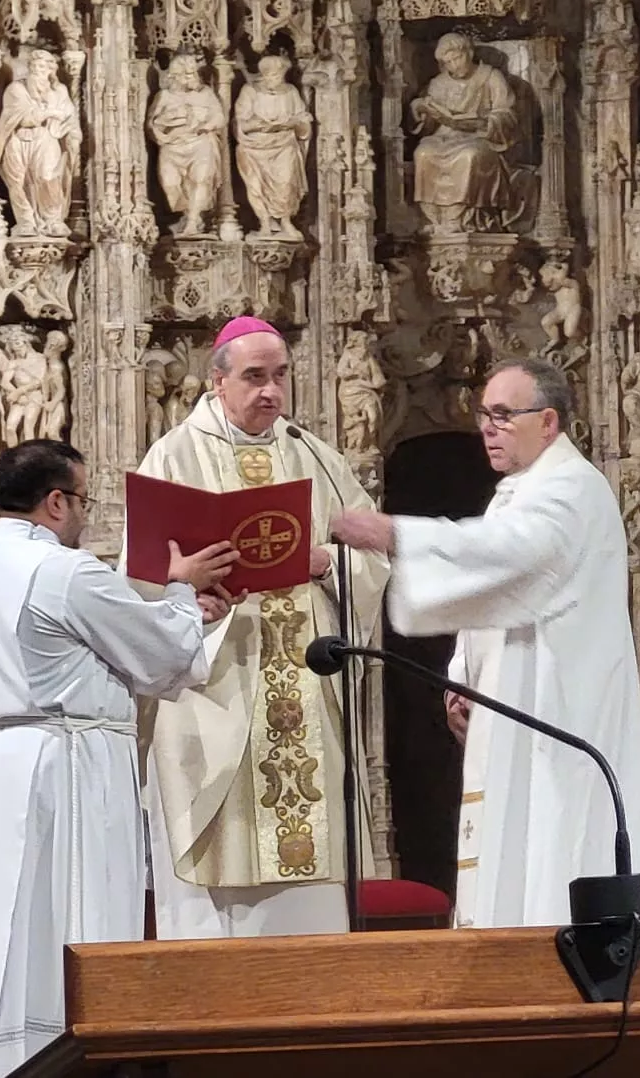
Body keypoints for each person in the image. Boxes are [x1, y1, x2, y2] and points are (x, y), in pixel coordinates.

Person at [0, 440, 239, 1078]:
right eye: (81, 500)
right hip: (65, 767)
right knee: (63, 928)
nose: (82, 515)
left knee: (1, 930)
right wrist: (184, 594)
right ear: (54, 502)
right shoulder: (65, 572)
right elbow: (156, 653)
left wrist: (182, 613)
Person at [332, 357, 640, 928]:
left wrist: (395, 533)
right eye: (486, 414)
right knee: (513, 850)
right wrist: (465, 677)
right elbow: (496, 591)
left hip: (557, 712)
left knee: (549, 851)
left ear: (550, 422)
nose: (489, 427)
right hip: (514, 704)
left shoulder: (572, 487)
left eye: (505, 415)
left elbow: (513, 554)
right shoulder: (519, 491)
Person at [130, 315, 391, 939]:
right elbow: (137, 581)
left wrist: (326, 562)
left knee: (310, 909)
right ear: (217, 382)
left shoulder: (317, 459)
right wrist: (185, 590)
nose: (270, 391)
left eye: (279, 376)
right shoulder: (173, 456)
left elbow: (376, 553)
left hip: (303, 693)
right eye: (254, 377)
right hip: (215, 696)